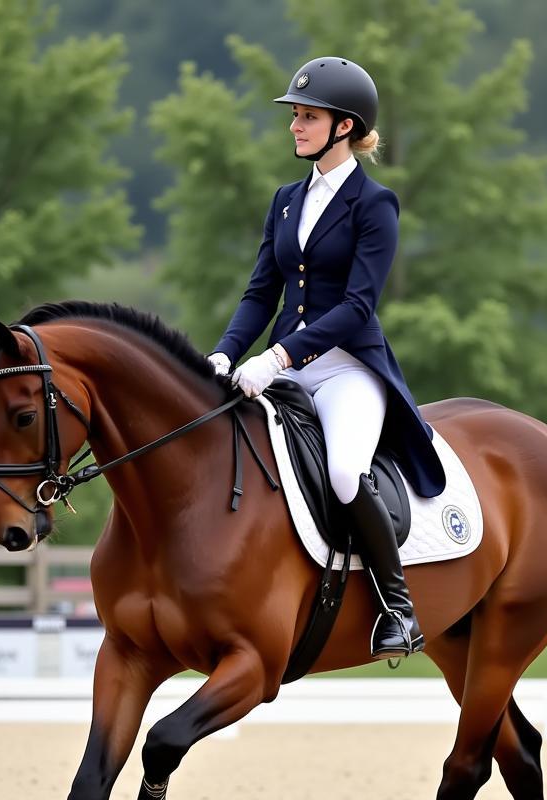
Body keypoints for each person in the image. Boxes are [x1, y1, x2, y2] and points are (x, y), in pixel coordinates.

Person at [206, 57, 445, 660]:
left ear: (344, 126)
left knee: (343, 473)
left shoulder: (375, 204)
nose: (295, 127)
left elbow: (359, 306)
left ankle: (398, 607)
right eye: (294, 117)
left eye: (307, 117)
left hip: (345, 368)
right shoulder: (287, 200)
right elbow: (262, 292)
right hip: (281, 368)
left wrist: (279, 356)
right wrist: (224, 353)